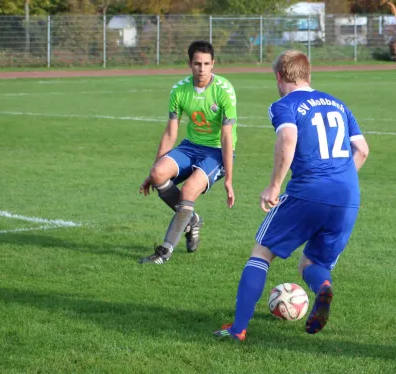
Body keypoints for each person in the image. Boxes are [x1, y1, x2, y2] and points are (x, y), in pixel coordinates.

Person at [213, 50, 369, 341]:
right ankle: (322, 286)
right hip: (348, 195)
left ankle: (237, 330)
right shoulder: (338, 104)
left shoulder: (284, 105)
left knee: (261, 252)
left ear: (279, 76)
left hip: (309, 190)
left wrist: (274, 185)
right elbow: (362, 150)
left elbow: (287, 137)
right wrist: (339, 181)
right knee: (311, 263)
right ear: (309, 75)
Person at [138, 40, 237, 265]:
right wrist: (152, 170)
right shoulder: (179, 90)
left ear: (213, 64)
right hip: (190, 146)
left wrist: (229, 179)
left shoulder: (224, 91)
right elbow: (170, 133)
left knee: (189, 190)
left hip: (216, 151)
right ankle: (192, 219)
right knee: (158, 175)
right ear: (189, 64)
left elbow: (226, 136)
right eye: (197, 63)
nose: (201, 69)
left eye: (206, 64)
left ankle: (164, 252)